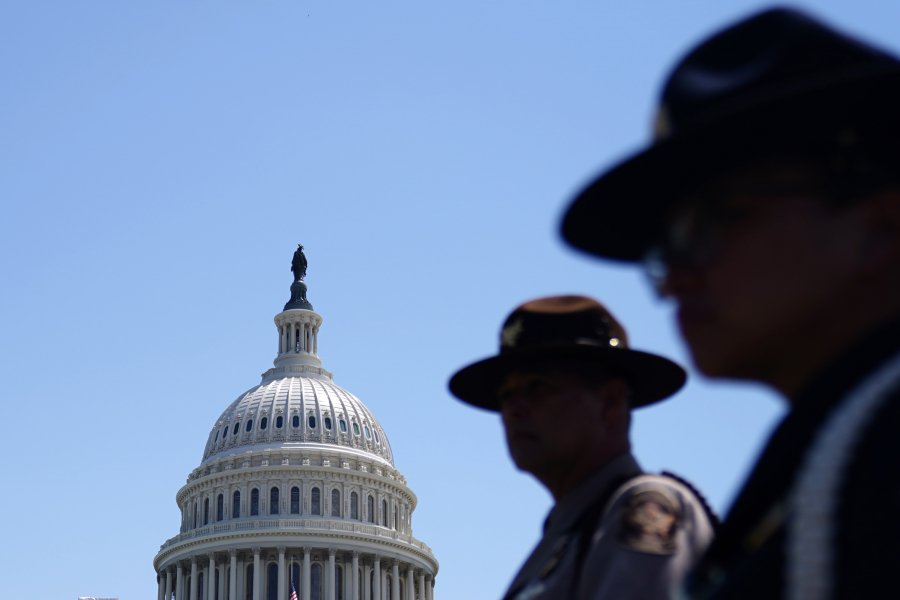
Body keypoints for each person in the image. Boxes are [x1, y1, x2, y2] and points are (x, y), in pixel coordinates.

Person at [560, 7, 900, 600]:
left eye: (714, 220)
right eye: (663, 250)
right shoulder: (827, 458)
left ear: (881, 222)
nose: (676, 279)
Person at [448, 295, 715, 600]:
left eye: (538, 387)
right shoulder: (562, 538)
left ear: (610, 403)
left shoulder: (644, 508)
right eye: (506, 395)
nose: (514, 409)